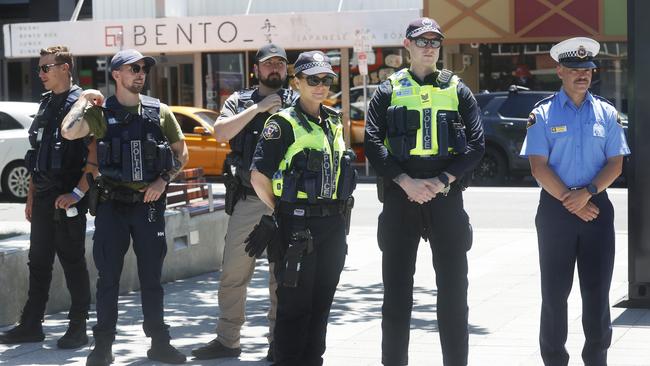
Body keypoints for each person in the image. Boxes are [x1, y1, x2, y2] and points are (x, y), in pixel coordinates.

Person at [364, 17, 485, 366]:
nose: (429, 47)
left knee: (453, 294)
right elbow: (372, 142)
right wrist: (405, 182)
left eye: (434, 42)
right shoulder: (387, 89)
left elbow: (476, 145)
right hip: (402, 197)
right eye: (422, 41)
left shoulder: (458, 89)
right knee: (397, 295)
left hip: (446, 196)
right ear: (407, 46)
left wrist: (444, 180)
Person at [60, 49, 189, 366]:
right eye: (133, 68)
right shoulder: (101, 113)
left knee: (152, 280)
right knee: (108, 280)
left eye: (143, 68)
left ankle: (159, 343)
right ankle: (102, 346)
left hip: (148, 207)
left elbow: (181, 153)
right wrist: (84, 100)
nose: (140, 72)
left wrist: (162, 181)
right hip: (111, 206)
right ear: (116, 74)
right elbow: (67, 130)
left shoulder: (160, 111)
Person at [520, 37, 630, 366]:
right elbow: (539, 165)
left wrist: (588, 194)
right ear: (559, 71)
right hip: (556, 211)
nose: (582, 75)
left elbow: (616, 163)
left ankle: (596, 360)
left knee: (596, 295)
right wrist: (573, 200)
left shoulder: (607, 114)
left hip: (597, 207)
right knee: (554, 295)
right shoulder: (541, 114)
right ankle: (555, 360)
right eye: (574, 69)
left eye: (587, 69)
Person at [247, 50, 357, 366]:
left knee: (322, 306)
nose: (321, 85)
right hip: (297, 228)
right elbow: (258, 176)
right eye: (313, 79)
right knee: (295, 310)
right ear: (296, 82)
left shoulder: (334, 120)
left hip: (333, 226)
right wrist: (282, 211)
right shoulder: (282, 123)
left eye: (326, 79)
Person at [191, 43, 297, 362]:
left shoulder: (297, 100)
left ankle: (278, 342)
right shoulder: (239, 101)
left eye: (280, 64)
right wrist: (259, 108)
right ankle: (228, 340)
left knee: (283, 275)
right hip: (249, 199)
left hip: (286, 201)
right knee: (234, 272)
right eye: (268, 64)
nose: (274, 69)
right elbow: (221, 132)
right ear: (256, 70)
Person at [0, 46, 94, 349]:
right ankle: (31, 325)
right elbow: (36, 155)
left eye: (45, 68)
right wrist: (29, 195)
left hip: (67, 198)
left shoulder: (83, 103)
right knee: (37, 262)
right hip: (42, 196)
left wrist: (78, 192)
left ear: (65, 68)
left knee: (73, 263)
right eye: (38, 68)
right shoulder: (45, 104)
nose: (39, 73)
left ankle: (78, 327)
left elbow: (95, 155)